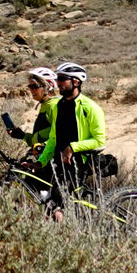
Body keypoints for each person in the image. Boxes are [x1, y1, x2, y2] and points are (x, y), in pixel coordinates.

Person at [33, 61, 106, 220]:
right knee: (37, 188)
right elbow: (53, 139)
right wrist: (41, 162)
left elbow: (100, 141)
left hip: (78, 163)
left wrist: (72, 147)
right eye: (57, 79)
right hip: (57, 162)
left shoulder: (90, 107)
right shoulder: (59, 105)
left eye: (62, 79)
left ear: (76, 82)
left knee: (58, 206)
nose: (58, 83)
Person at [7, 67, 60, 154]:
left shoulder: (54, 106)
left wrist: (43, 146)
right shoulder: (45, 105)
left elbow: (64, 135)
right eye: (30, 86)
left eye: (35, 86)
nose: (31, 90)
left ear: (48, 87)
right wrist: (23, 136)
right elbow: (42, 137)